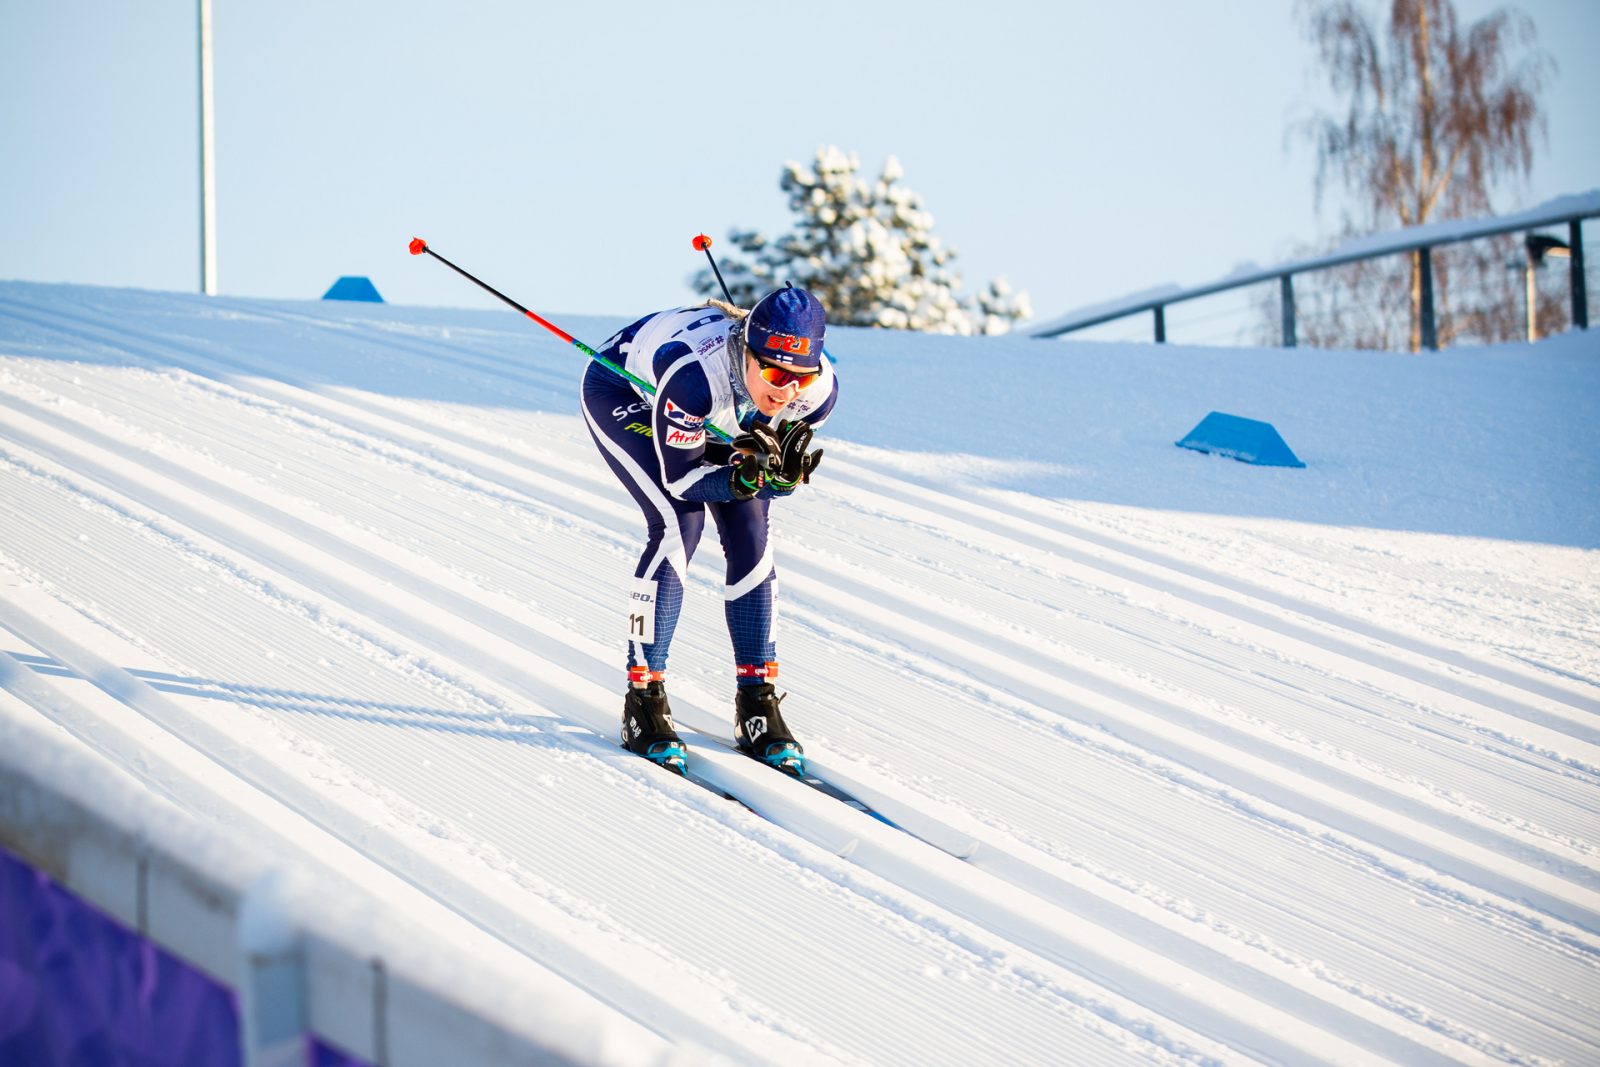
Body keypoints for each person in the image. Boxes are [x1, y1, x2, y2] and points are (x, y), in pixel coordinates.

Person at [579, 285, 837, 777]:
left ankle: (757, 702)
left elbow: (770, 477)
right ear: (747, 351)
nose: (786, 391)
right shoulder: (695, 376)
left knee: (751, 530)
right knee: (679, 522)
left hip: (717, 415)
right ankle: (643, 701)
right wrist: (745, 476)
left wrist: (775, 479)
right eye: (776, 373)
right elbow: (684, 479)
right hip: (627, 392)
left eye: (800, 378)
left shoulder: (817, 395)